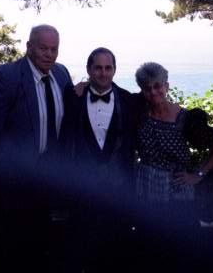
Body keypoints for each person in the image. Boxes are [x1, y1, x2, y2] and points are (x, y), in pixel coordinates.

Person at [0, 24, 72, 271]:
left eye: (54, 49)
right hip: (13, 183)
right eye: (43, 48)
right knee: (11, 250)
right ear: (29, 47)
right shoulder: (6, 77)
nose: (49, 54)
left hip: (51, 181)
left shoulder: (61, 74)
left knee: (44, 248)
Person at [133, 61, 213, 264]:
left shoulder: (185, 119)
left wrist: (198, 175)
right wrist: (85, 85)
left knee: (180, 244)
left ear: (166, 85)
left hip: (176, 190)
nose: (153, 92)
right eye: (147, 88)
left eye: (157, 86)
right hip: (146, 187)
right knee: (149, 244)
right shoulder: (139, 111)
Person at [61, 47, 140, 271]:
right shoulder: (72, 97)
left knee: (117, 250)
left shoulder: (129, 100)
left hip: (119, 190)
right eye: (98, 68)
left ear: (114, 70)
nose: (103, 73)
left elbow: (159, 105)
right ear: (88, 70)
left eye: (108, 68)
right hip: (82, 189)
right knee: (82, 247)